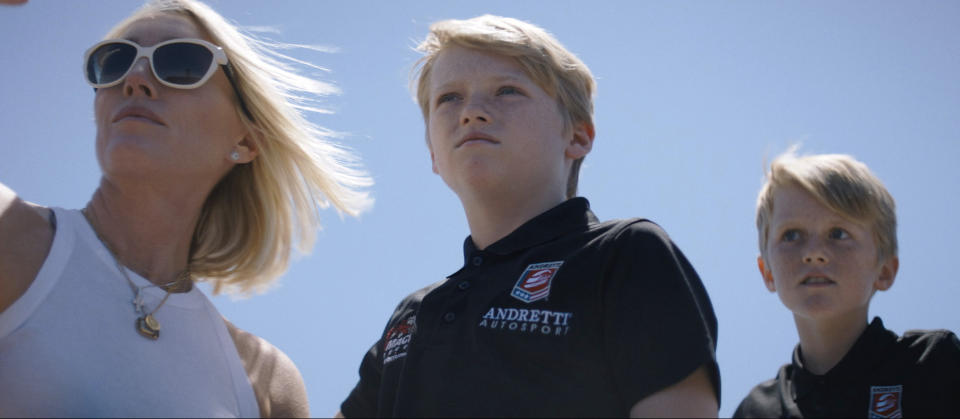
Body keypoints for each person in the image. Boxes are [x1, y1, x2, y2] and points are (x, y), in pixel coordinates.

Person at [0, 0, 371, 417]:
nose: (136, 79)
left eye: (180, 62)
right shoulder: (10, 235)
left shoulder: (267, 384)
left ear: (246, 140)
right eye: (115, 62)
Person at [337, 15, 719, 417]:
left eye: (507, 90)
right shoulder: (412, 314)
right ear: (432, 152)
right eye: (448, 98)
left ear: (577, 136)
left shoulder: (626, 254)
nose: (472, 112)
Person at [734, 150, 960, 417]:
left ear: (884, 270)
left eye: (838, 234)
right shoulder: (757, 412)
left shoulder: (932, 367)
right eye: (792, 235)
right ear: (767, 272)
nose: (814, 252)